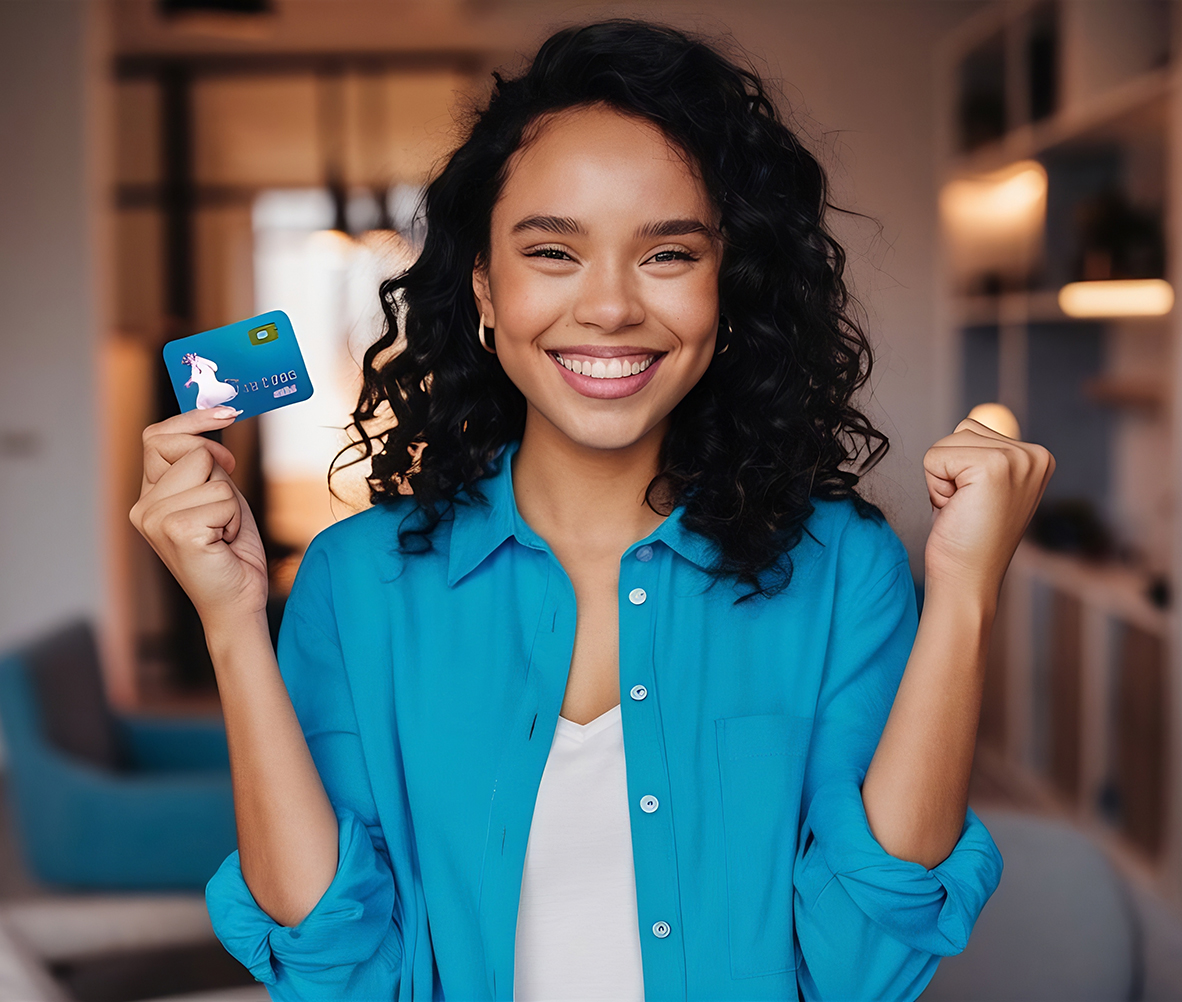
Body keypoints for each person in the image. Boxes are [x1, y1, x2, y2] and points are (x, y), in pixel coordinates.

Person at [130, 20, 1053, 1002]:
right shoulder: (356, 581)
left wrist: (964, 597)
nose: (609, 308)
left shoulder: (843, 569)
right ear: (485, 289)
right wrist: (231, 624)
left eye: (667, 255)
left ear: (727, 295)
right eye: (553, 252)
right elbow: (341, 971)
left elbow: (864, 968)